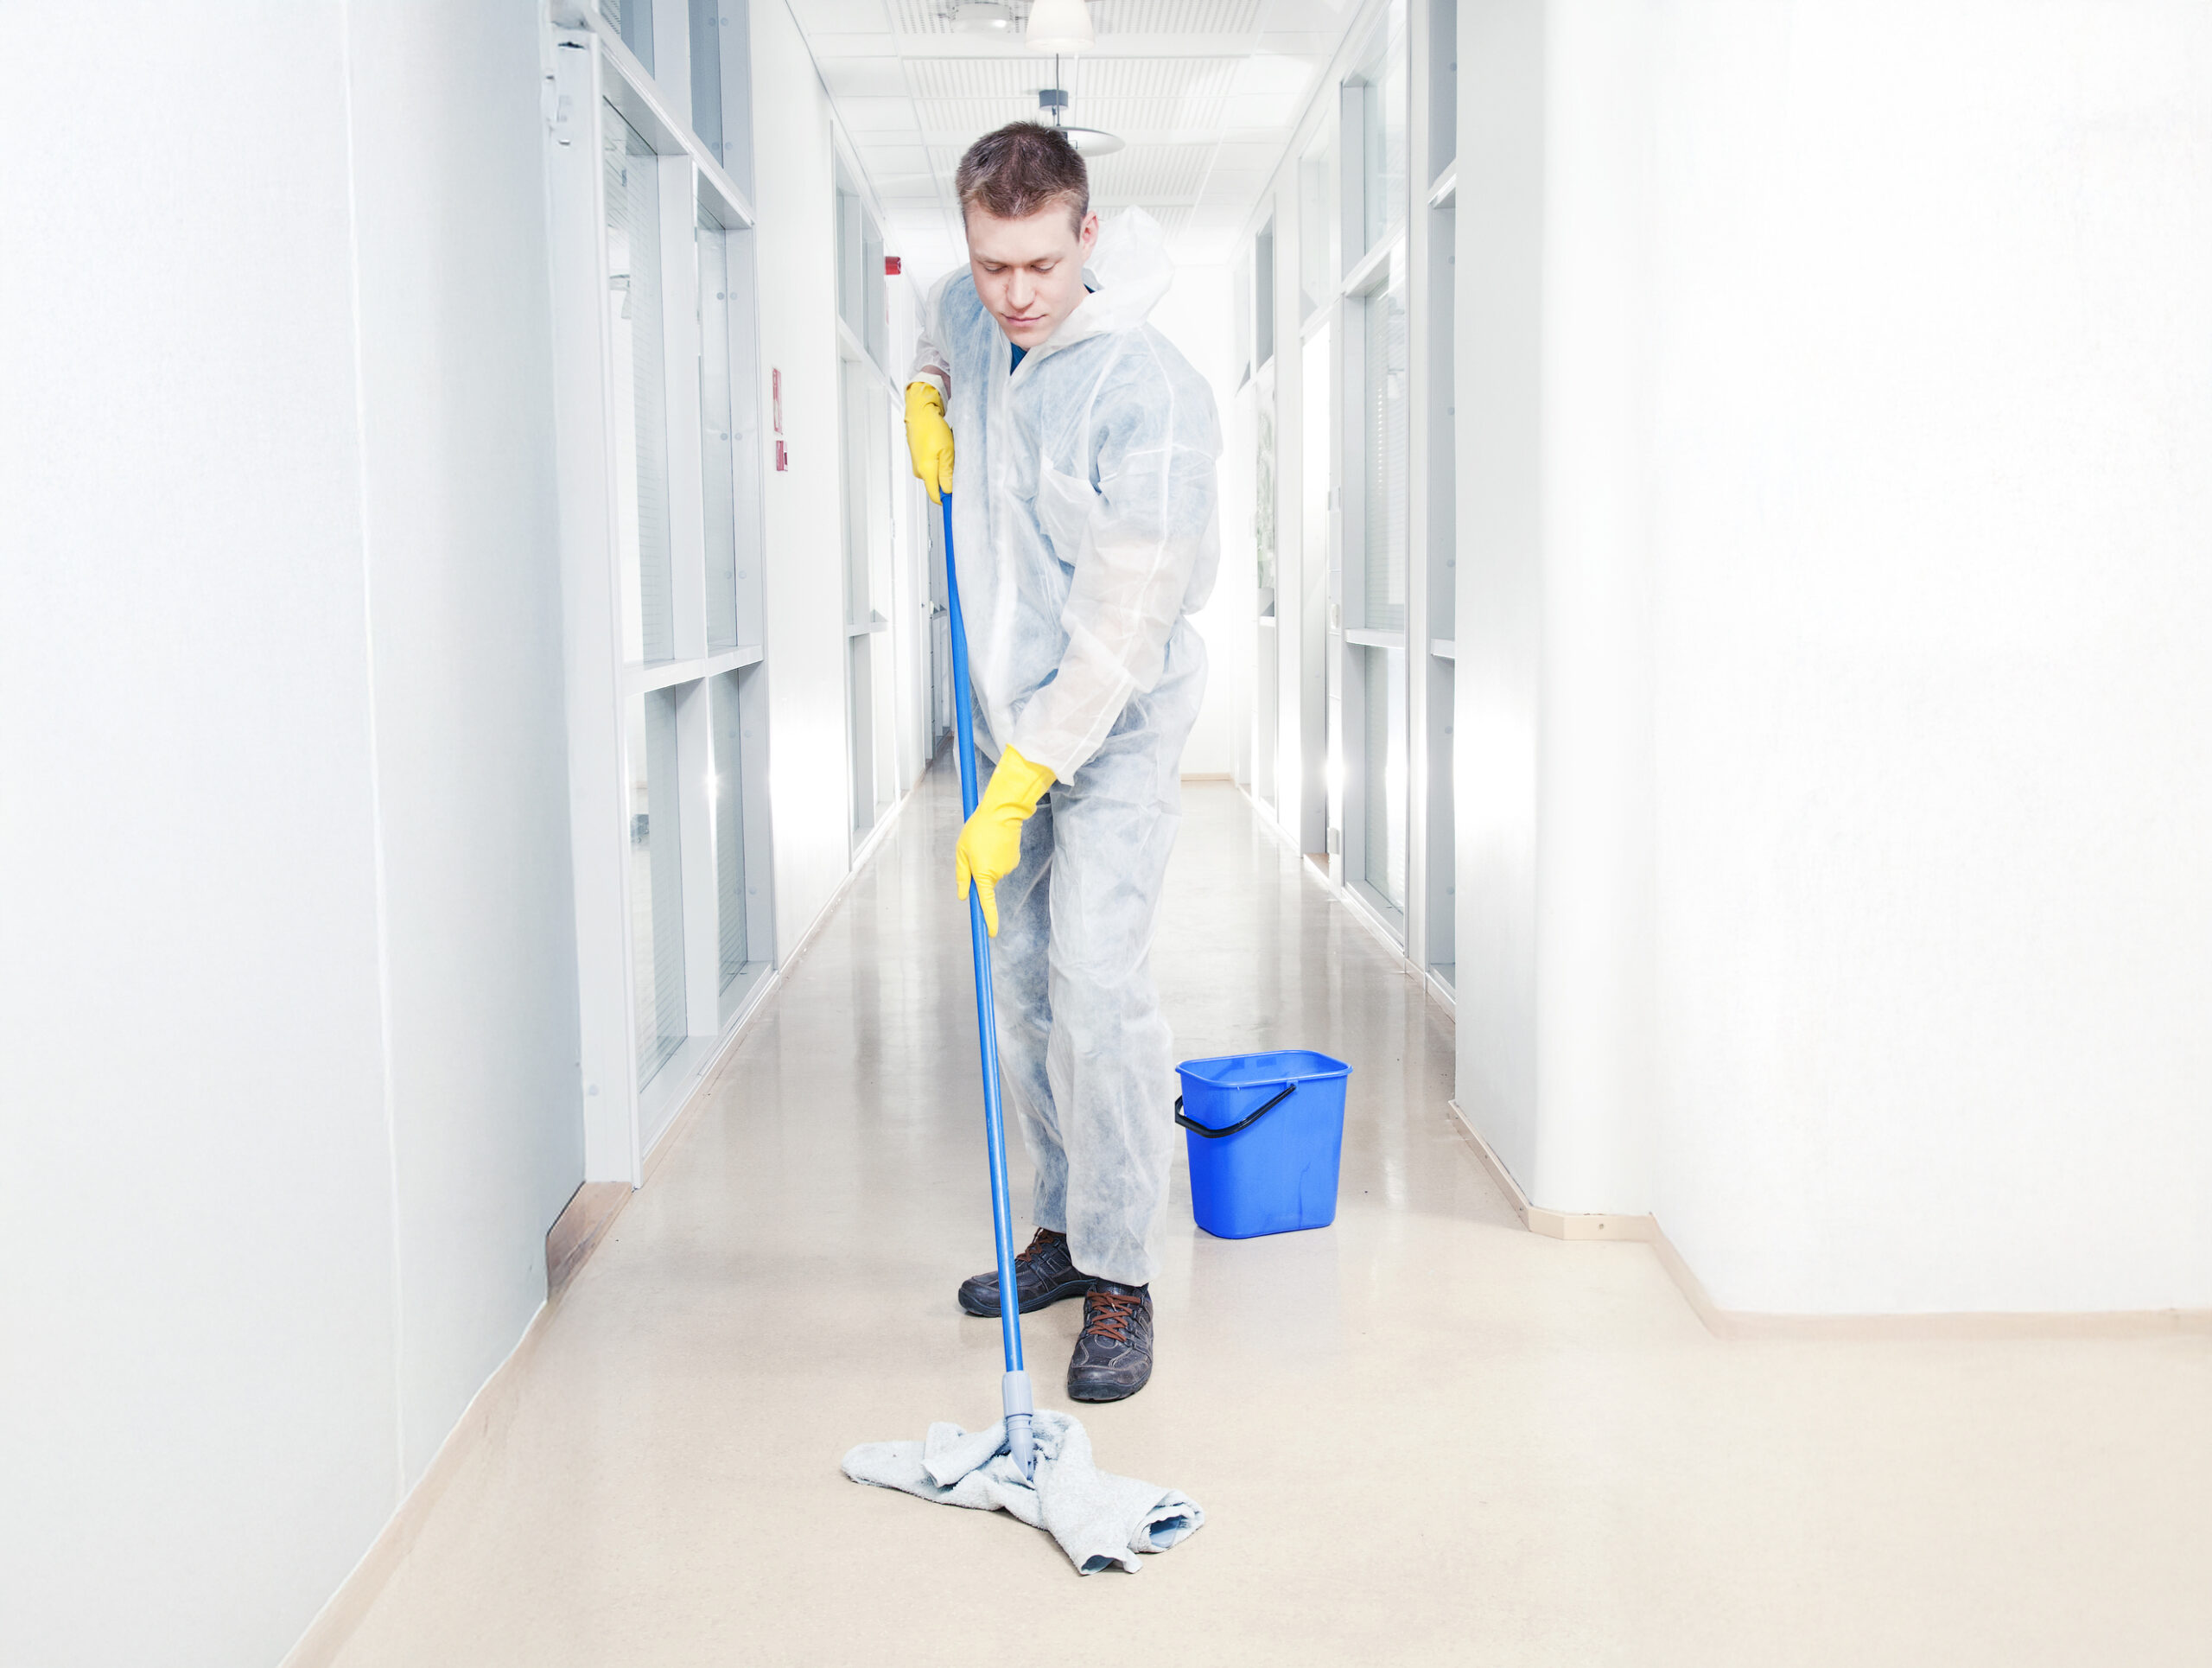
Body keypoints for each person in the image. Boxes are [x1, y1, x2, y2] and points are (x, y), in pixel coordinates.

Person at [903, 123, 1220, 1402]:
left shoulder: (1153, 392)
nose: (1014, 295)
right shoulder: (971, 310)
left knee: (1095, 983)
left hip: (1119, 721)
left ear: (1086, 235)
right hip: (1003, 709)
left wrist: (1027, 776)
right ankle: (1061, 1233)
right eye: (992, 266)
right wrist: (926, 389)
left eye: (1038, 265)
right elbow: (933, 325)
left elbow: (1125, 621)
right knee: (1021, 984)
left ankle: (1125, 1272)